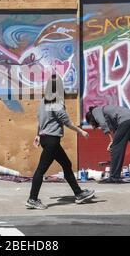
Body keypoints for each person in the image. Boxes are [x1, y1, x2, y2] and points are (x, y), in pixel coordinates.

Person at [26, 75, 95, 210]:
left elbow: (40, 121)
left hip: (46, 139)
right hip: (52, 140)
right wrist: (81, 131)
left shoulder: (42, 102)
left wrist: (38, 135)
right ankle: (32, 199)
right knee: (41, 170)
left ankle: (78, 193)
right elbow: (66, 122)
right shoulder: (56, 103)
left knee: (66, 164)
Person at [85, 105, 130, 183]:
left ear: (91, 117)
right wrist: (113, 142)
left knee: (117, 149)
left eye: (92, 123)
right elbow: (117, 132)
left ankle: (114, 177)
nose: (94, 126)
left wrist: (111, 141)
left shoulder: (95, 111)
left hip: (126, 122)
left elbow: (103, 123)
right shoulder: (108, 112)